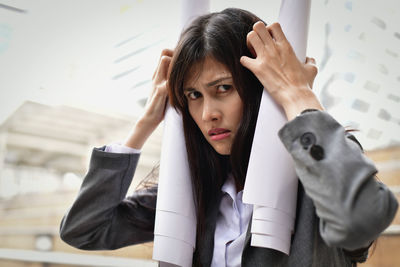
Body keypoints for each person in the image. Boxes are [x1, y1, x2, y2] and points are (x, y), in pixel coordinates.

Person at [59, 8, 398, 267]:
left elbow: (362, 221)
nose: (208, 114)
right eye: (193, 95)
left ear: (259, 88)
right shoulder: (195, 189)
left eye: (223, 88)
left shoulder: (321, 174)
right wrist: (150, 118)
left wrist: (297, 95)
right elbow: (84, 229)